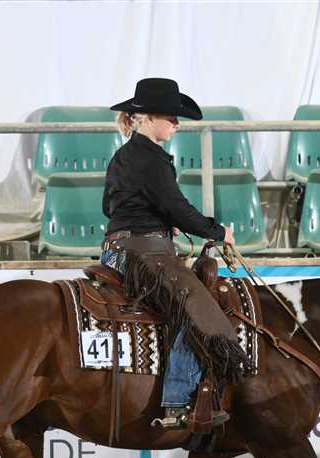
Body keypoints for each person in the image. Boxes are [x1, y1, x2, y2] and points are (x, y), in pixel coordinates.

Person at [101, 78, 250, 431]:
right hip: (142, 254)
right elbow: (177, 207)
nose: (177, 124)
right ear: (149, 118)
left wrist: (159, 221)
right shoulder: (151, 159)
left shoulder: (124, 156)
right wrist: (218, 232)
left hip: (117, 250)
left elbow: (109, 207)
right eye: (171, 117)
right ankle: (177, 402)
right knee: (197, 307)